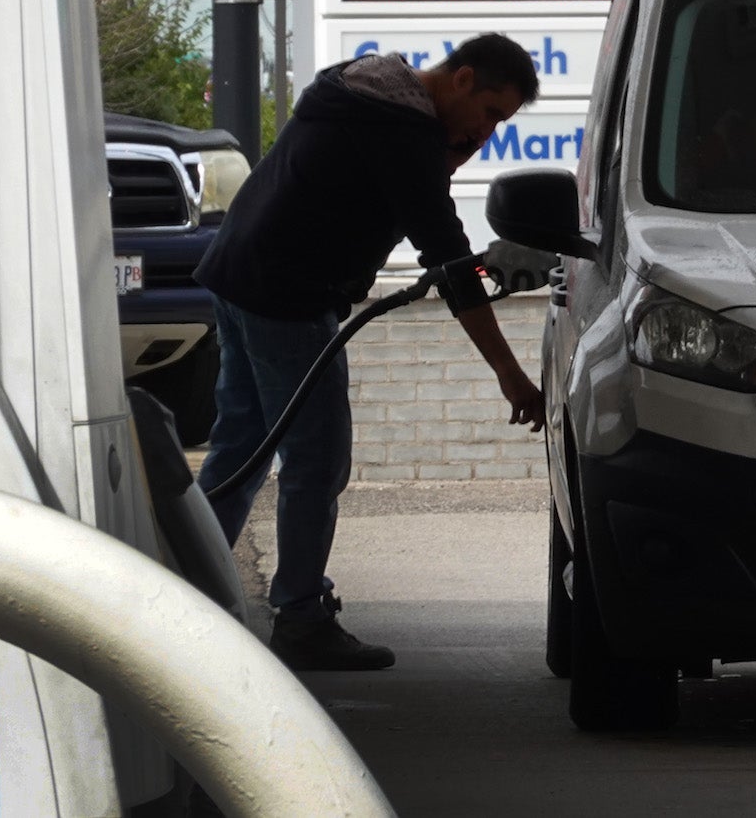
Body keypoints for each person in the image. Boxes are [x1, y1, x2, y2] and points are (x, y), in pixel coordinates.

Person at [192, 33, 545, 672]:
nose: (490, 132)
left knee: (242, 445)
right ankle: (300, 616)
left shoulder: (361, 91)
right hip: (286, 294)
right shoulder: (403, 130)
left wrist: (451, 148)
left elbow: (410, 197)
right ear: (462, 80)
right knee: (316, 459)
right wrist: (511, 375)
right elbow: (449, 256)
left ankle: (184, 594)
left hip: (239, 272)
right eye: (492, 113)